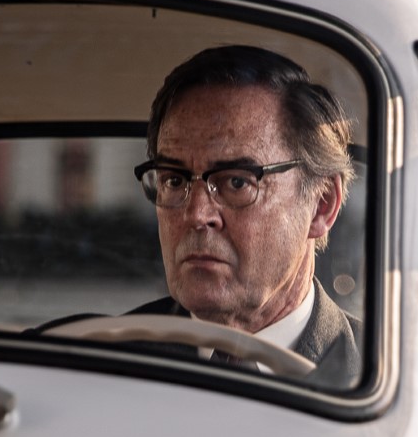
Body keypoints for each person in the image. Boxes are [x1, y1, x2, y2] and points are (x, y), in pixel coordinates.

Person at [128, 45, 361, 380]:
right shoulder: (89, 366)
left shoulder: (395, 384)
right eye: (174, 180)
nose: (197, 214)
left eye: (237, 182)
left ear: (321, 205)